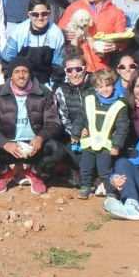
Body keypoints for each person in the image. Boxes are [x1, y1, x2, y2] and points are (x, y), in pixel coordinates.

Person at [0, 57, 65, 195]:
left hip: (34, 146)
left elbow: (53, 123)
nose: (21, 75)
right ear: (11, 74)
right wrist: (4, 143)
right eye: (17, 71)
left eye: (25, 71)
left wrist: (41, 137)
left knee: (57, 150)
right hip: (10, 146)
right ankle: (4, 172)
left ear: (30, 74)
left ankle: (34, 172)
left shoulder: (43, 92)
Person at [73, 68, 130, 199]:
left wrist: (116, 145)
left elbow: (122, 128)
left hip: (106, 145)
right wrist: (75, 134)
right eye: (100, 86)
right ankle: (85, 186)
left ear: (113, 85)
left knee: (105, 170)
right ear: (96, 88)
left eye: (108, 85)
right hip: (89, 142)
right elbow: (81, 118)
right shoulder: (89, 100)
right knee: (85, 167)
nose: (105, 89)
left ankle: (110, 190)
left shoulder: (120, 105)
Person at [58, 0, 128, 72]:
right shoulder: (74, 7)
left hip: (102, 68)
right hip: (77, 67)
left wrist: (117, 46)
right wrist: (64, 34)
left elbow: (123, 40)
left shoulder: (116, 13)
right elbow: (58, 31)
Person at [0, 0, 65, 87]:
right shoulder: (19, 32)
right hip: (21, 80)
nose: (40, 18)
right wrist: (11, 84)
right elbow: (7, 61)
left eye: (44, 14)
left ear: (49, 13)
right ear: (29, 15)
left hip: (45, 82)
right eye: (35, 14)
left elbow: (58, 66)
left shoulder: (56, 33)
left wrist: (53, 88)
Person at [53, 48, 91, 187]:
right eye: (70, 70)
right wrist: (77, 132)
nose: (74, 74)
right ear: (65, 72)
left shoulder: (95, 84)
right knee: (77, 154)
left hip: (97, 132)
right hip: (74, 136)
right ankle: (75, 170)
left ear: (85, 69)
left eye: (78, 69)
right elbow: (63, 120)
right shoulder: (60, 90)